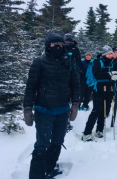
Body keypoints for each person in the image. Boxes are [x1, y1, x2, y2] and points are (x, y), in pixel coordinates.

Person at [23, 33, 80, 179]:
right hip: (44, 111)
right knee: (42, 144)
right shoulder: (39, 62)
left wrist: (75, 104)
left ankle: (49, 169)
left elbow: (75, 85)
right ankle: (36, 176)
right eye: (54, 45)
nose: (57, 47)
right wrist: (27, 109)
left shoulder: (69, 62)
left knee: (57, 142)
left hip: (62, 111)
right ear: (48, 46)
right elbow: (31, 87)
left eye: (60, 45)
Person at [82, 46, 117, 141]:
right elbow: (96, 74)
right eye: (108, 53)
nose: (110, 55)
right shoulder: (98, 62)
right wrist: (109, 75)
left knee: (105, 111)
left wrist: (115, 75)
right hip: (99, 89)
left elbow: (114, 72)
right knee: (96, 110)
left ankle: (99, 130)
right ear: (104, 54)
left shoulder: (111, 62)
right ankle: (86, 132)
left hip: (109, 89)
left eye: (111, 53)